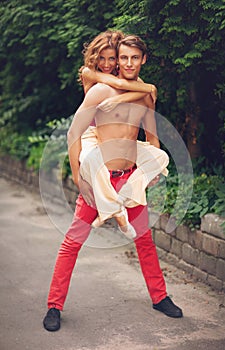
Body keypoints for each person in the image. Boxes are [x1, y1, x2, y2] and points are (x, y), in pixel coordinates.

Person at [43, 34, 183, 332]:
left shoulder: (145, 94)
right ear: (117, 60)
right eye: (123, 58)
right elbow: (74, 134)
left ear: (143, 59)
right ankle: (54, 306)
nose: (127, 63)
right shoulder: (100, 92)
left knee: (144, 240)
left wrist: (149, 171)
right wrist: (79, 176)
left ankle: (160, 297)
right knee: (73, 242)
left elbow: (151, 134)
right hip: (98, 180)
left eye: (134, 58)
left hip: (129, 177)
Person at [74, 30, 169, 238]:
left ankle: (119, 202)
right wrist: (149, 88)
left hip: (116, 145)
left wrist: (123, 99)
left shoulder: (130, 84)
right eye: (102, 58)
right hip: (92, 133)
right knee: (91, 161)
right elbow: (120, 84)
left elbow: (139, 91)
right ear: (94, 58)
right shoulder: (89, 74)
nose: (107, 64)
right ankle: (114, 211)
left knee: (161, 157)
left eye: (112, 59)